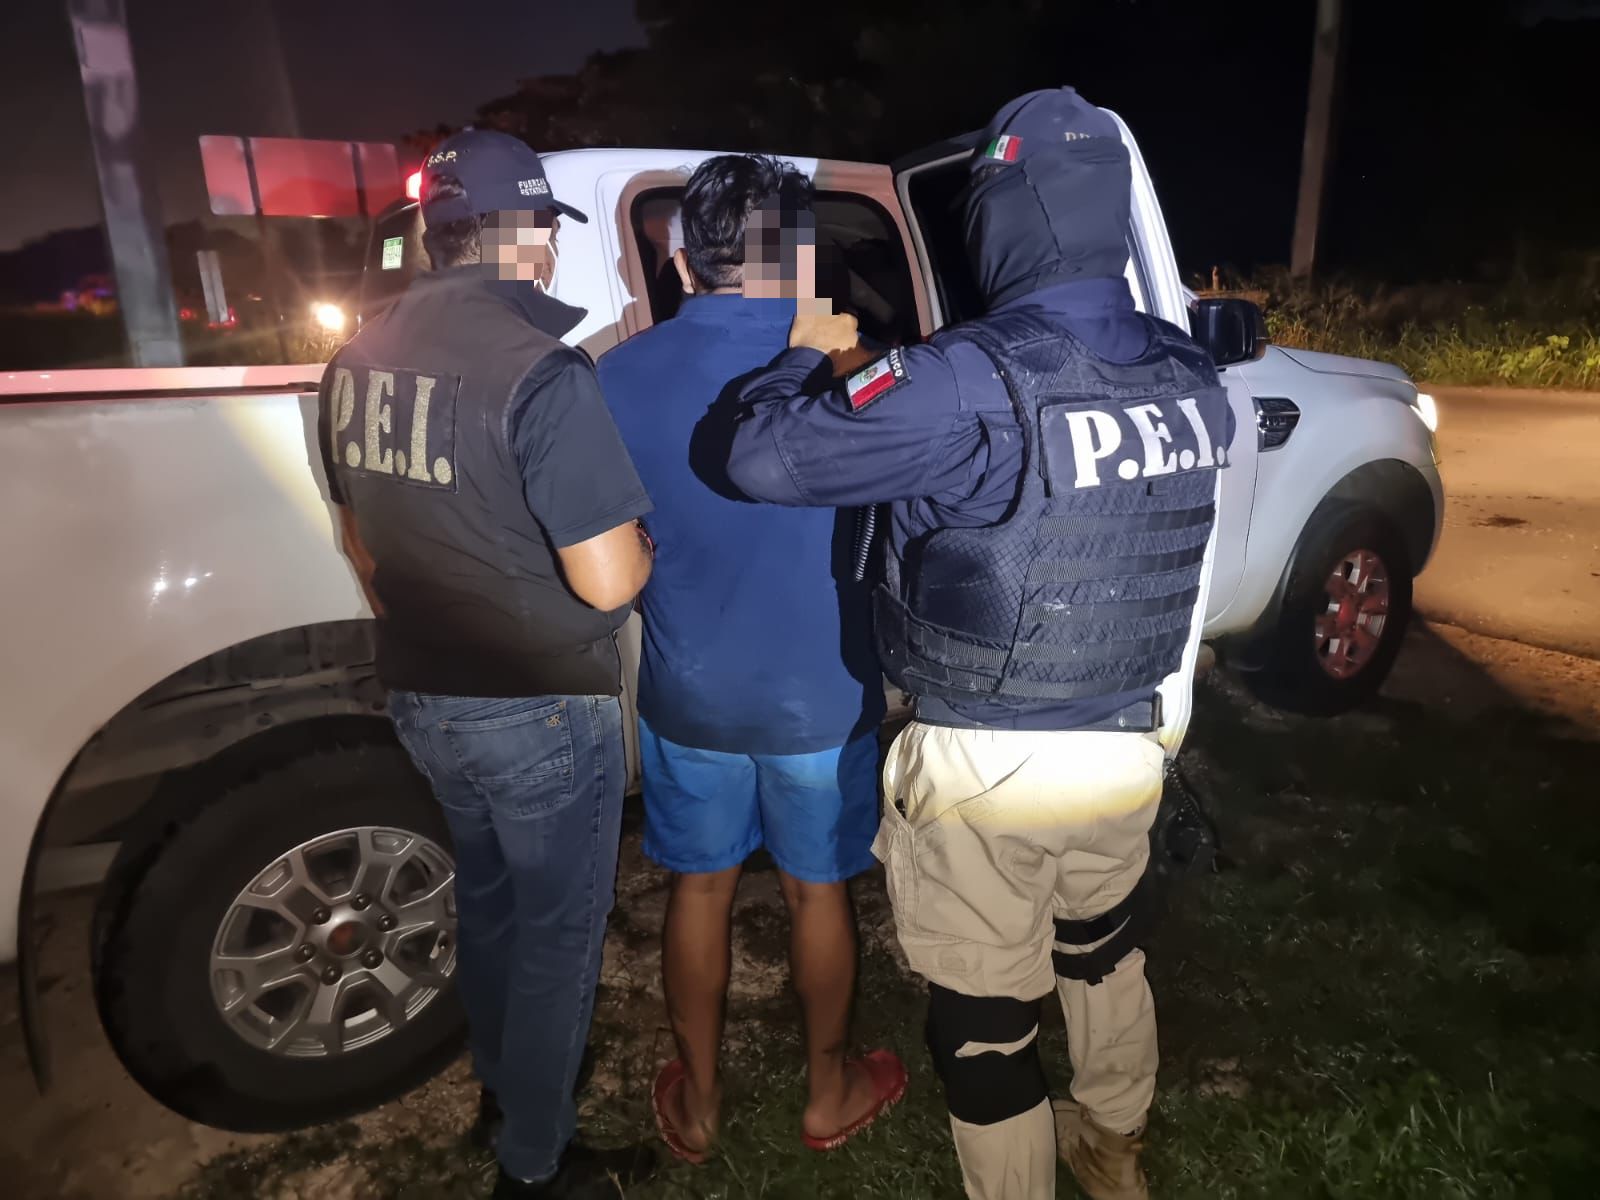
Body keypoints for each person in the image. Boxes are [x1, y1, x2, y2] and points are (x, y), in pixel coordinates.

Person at [722, 89, 1234, 1200]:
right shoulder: (1188, 373)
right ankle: (1115, 1147)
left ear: (1001, 218)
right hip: (1127, 742)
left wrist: (797, 358)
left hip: (986, 760)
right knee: (1102, 948)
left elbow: (760, 459)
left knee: (984, 1021)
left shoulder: (964, 376)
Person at [317, 129, 657, 1199]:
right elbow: (608, 581)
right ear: (519, 236)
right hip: (539, 703)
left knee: (495, 904)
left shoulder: (355, 358)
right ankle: (534, 1166)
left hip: (425, 693)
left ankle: (505, 1093)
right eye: (545, 232)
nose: (550, 253)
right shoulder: (539, 369)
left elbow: (357, 539)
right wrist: (646, 547)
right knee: (557, 935)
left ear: (435, 233)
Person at [596, 154, 906, 1163]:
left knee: (700, 888)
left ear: (681, 261)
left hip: (690, 691)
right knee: (820, 890)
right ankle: (828, 1090)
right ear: (799, 259)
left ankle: (699, 1103)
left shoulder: (617, 377)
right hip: (822, 690)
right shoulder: (851, 364)